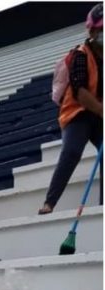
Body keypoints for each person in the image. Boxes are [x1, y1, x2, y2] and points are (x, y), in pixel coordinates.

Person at [41, 4, 103, 215]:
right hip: (77, 113)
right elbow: (80, 92)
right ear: (93, 31)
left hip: (98, 114)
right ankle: (49, 203)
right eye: (102, 30)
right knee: (72, 152)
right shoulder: (81, 54)